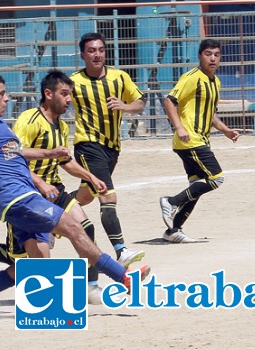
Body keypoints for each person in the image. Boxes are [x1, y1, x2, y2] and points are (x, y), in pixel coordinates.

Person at [0, 72, 150, 313]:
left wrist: (50, 155)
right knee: (75, 226)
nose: (7, 99)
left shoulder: (0, 126)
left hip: (29, 193)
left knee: (37, 264)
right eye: (3, 94)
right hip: (16, 199)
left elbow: (19, 154)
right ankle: (124, 277)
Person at [70, 32, 145, 264]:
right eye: (92, 50)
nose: (97, 54)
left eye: (101, 50)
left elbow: (140, 102)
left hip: (111, 148)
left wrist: (124, 106)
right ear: (83, 55)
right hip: (87, 145)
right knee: (107, 195)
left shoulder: (119, 77)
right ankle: (121, 251)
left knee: (85, 196)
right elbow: (54, 102)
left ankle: (50, 221)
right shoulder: (73, 82)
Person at [159, 39, 240, 243]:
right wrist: (179, 126)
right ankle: (171, 201)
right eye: (208, 54)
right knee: (216, 178)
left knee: (197, 186)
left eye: (216, 54)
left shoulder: (215, 82)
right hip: (190, 140)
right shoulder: (192, 78)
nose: (212, 58)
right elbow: (169, 101)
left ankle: (173, 230)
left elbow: (210, 114)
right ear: (200, 56)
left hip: (200, 139)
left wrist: (226, 130)